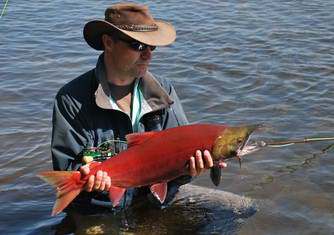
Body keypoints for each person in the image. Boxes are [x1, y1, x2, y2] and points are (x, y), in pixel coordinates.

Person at [51, 2, 226, 214]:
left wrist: (192, 171)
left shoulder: (164, 90)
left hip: (157, 202)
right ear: (108, 42)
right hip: (101, 210)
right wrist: (90, 182)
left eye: (152, 47)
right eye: (139, 46)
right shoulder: (71, 99)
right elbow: (66, 172)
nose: (148, 55)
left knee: (242, 208)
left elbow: (181, 163)